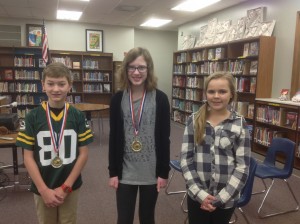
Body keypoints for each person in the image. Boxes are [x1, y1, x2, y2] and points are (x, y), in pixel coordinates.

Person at [16, 62, 93, 224]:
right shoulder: (32, 117)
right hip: (42, 185)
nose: (56, 89)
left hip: (70, 185)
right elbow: (27, 157)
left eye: (61, 84)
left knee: (68, 221)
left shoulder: (78, 116)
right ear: (42, 85)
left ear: (70, 86)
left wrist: (66, 187)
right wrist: (43, 190)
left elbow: (84, 154)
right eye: (50, 84)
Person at [108, 47, 170, 224]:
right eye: (132, 67)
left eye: (141, 67)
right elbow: (114, 139)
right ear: (125, 69)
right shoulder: (117, 99)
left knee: (147, 218)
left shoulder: (161, 99)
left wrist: (164, 173)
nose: (136, 72)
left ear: (148, 69)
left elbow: (165, 139)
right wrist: (113, 172)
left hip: (151, 172)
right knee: (124, 219)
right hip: (125, 171)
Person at [180, 72, 251, 224]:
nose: (216, 96)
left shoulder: (239, 124)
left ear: (231, 94)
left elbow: (243, 166)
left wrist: (222, 197)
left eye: (222, 91)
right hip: (197, 196)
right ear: (205, 93)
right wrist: (200, 194)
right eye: (211, 91)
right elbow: (186, 160)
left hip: (227, 197)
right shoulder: (194, 120)